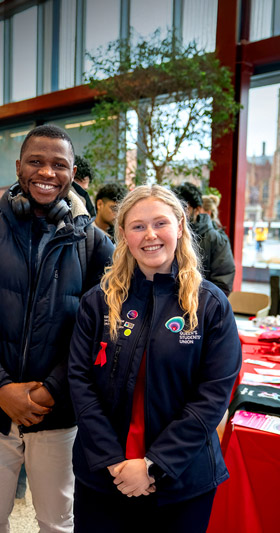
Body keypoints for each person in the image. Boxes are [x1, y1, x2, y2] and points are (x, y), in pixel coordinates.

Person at [0, 124, 114, 533]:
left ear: (73, 173)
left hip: (57, 411)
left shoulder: (95, 243)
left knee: (57, 523)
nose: (47, 173)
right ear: (19, 167)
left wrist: (50, 389)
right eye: (36, 162)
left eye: (59, 165)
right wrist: (0, 388)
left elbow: (99, 330)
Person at [68, 184, 242, 532]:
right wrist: (115, 462)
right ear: (122, 234)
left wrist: (153, 465)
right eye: (137, 226)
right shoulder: (97, 302)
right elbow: (80, 383)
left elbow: (213, 397)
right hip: (104, 476)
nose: (150, 235)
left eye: (160, 223)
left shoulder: (210, 305)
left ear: (179, 225)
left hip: (182, 480)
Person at [171, 183, 235, 295]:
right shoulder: (168, 236)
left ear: (197, 209)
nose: (180, 213)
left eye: (185, 208)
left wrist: (200, 306)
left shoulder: (216, 239)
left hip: (200, 307)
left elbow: (222, 283)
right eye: (176, 208)